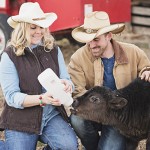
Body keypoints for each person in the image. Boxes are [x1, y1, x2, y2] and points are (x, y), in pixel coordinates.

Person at [0, 2, 78, 150]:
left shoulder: (53, 50)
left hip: (50, 116)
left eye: (41, 27)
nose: (39, 31)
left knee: (69, 147)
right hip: (21, 118)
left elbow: (66, 79)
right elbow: (12, 97)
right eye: (33, 27)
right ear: (22, 28)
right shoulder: (9, 55)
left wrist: (67, 85)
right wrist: (41, 98)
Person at [68, 11, 150, 150]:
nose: (91, 45)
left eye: (96, 39)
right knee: (77, 119)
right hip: (94, 111)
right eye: (88, 40)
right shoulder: (78, 58)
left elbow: (145, 68)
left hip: (119, 116)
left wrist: (147, 71)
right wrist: (96, 106)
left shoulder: (133, 52)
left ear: (109, 36)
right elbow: (78, 91)